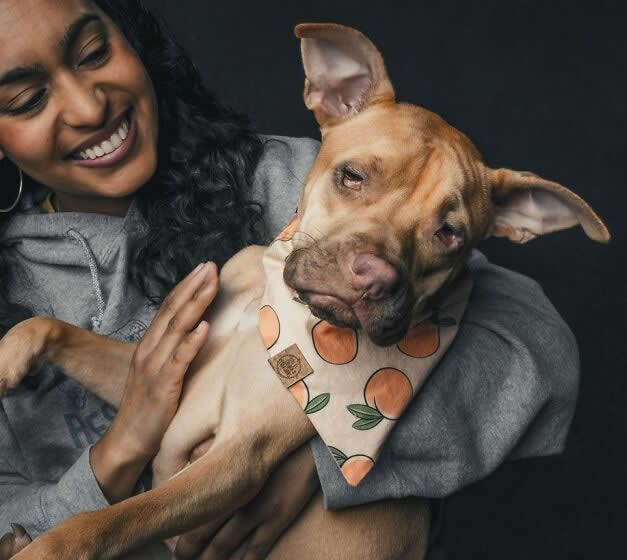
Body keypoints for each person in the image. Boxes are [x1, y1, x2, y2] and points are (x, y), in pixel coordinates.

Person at [0, 0, 580, 558]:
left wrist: (330, 449)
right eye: (26, 99)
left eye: (95, 52)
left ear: (131, 36)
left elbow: (536, 350)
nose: (88, 107)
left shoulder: (297, 178)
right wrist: (117, 455)